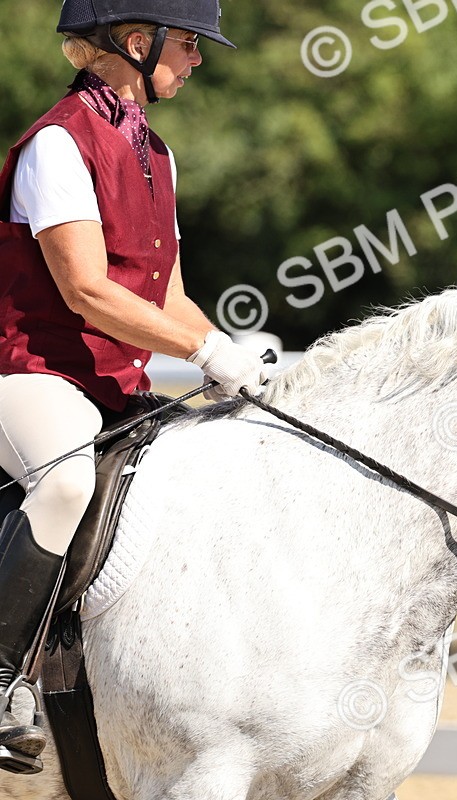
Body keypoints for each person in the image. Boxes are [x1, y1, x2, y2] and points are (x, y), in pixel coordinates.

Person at [0, 0, 266, 770]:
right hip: (32, 369)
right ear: (137, 43)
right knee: (61, 484)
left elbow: (168, 300)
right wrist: (207, 348)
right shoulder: (58, 143)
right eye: (189, 43)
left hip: (111, 381)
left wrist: (229, 356)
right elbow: (86, 290)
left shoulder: (157, 153)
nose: (199, 58)